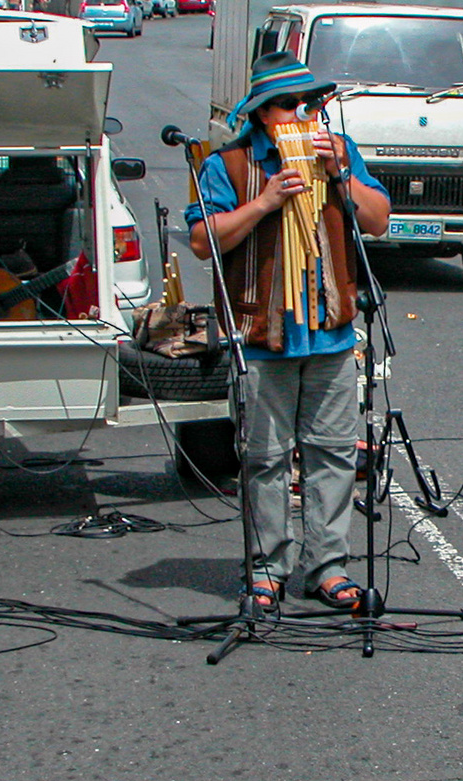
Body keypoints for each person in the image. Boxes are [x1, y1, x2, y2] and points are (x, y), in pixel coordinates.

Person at [183, 51, 390, 610]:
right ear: (261, 114)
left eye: (308, 104)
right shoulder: (227, 166)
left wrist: (341, 175)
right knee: (265, 456)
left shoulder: (337, 156)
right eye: (287, 106)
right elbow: (205, 241)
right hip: (263, 332)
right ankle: (268, 566)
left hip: (329, 330)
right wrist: (267, 200)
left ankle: (326, 567)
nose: (302, 114)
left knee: (332, 452)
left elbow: (377, 220)